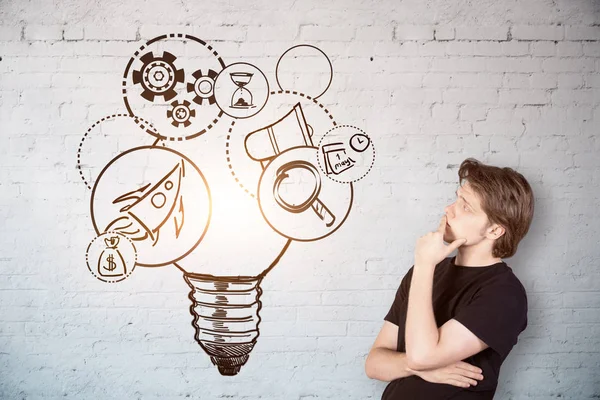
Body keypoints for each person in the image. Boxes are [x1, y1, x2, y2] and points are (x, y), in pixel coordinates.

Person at [365, 158, 535, 399]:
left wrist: (424, 263)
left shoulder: (505, 294)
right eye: (457, 198)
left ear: (495, 230)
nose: (449, 209)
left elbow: (422, 355)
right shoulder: (423, 273)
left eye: (466, 206)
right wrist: (421, 369)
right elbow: (373, 363)